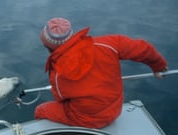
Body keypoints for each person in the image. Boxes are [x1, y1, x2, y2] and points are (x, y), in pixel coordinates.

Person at [34, 17, 168, 128]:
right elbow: (143, 49)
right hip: (115, 110)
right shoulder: (107, 44)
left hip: (87, 119)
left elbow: (60, 99)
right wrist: (158, 66)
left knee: (41, 110)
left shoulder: (57, 75)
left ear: (48, 46)